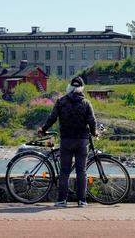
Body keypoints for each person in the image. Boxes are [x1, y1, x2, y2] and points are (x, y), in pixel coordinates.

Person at [37, 76, 99, 208]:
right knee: (81, 171)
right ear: (82, 88)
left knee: (65, 171)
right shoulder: (86, 103)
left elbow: (52, 117)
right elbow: (92, 121)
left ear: (70, 87)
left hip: (66, 140)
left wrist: (43, 128)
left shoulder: (61, 101)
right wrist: (95, 132)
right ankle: (81, 201)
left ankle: (62, 200)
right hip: (82, 141)